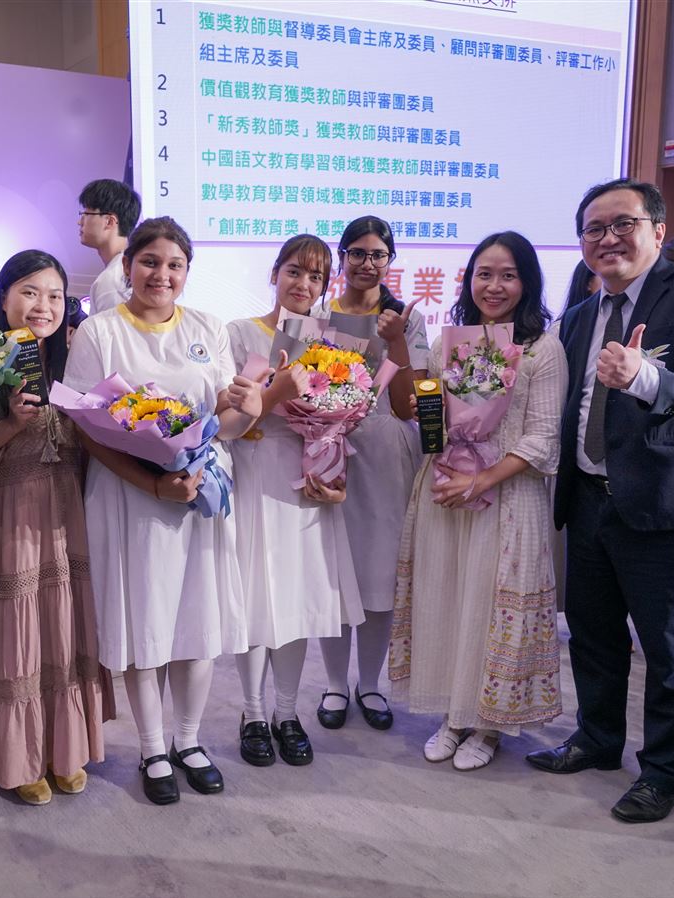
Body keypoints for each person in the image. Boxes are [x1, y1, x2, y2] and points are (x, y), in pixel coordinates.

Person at [527, 178, 674, 823]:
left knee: (673, 653)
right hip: (589, 501)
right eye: (594, 229)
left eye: (623, 223)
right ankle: (597, 740)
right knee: (593, 637)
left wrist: (644, 377)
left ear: (657, 229)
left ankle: (665, 772)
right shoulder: (578, 317)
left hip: (668, 506)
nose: (608, 238)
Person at [62, 216, 264, 805]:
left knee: (198, 620)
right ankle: (153, 748)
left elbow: (223, 420)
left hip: (199, 491)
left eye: (175, 264)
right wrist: (153, 484)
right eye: (150, 261)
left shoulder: (207, 327)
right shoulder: (99, 331)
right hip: (130, 497)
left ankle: (189, 741)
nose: (162, 274)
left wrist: (248, 410)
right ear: (128, 267)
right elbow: (86, 429)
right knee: (143, 619)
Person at [391, 232, 567, 771]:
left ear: (527, 282)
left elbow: (542, 438)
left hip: (507, 496)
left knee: (489, 605)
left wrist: (483, 478)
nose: (494, 286)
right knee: (449, 598)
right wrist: (426, 410)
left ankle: (488, 725)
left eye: (508, 275)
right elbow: (431, 416)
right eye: (484, 274)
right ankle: (454, 713)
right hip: (446, 489)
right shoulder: (450, 342)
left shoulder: (543, 348)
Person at [0, 250, 113, 805]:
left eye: (53, 295)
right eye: (29, 292)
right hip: (9, 513)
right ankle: (17, 757)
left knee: (63, 623)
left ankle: (63, 749)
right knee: (15, 631)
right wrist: (8, 424)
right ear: (4, 298)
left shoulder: (79, 359)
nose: (42, 305)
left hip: (67, 510)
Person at [226, 234, 364, 768]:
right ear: (275, 274)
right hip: (254, 473)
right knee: (255, 601)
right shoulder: (240, 333)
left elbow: (346, 419)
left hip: (306, 483)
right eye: (294, 271)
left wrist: (334, 473)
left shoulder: (333, 345)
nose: (303, 284)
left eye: (315, 277)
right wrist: (278, 388)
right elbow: (230, 422)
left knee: (296, 603)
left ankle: (287, 712)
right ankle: (253, 713)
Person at [314, 216, 427, 733]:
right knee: (334, 572)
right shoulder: (317, 315)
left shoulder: (407, 319)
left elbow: (408, 406)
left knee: (381, 572)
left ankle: (371, 683)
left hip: (385, 451)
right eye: (357, 253)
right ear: (342, 257)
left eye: (378, 254)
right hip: (327, 450)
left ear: (390, 260)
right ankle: (335, 684)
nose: (367, 263)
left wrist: (397, 342)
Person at [77, 178, 140, 314]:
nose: (79, 222)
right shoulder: (126, 268)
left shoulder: (113, 280)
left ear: (109, 221)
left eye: (86, 214)